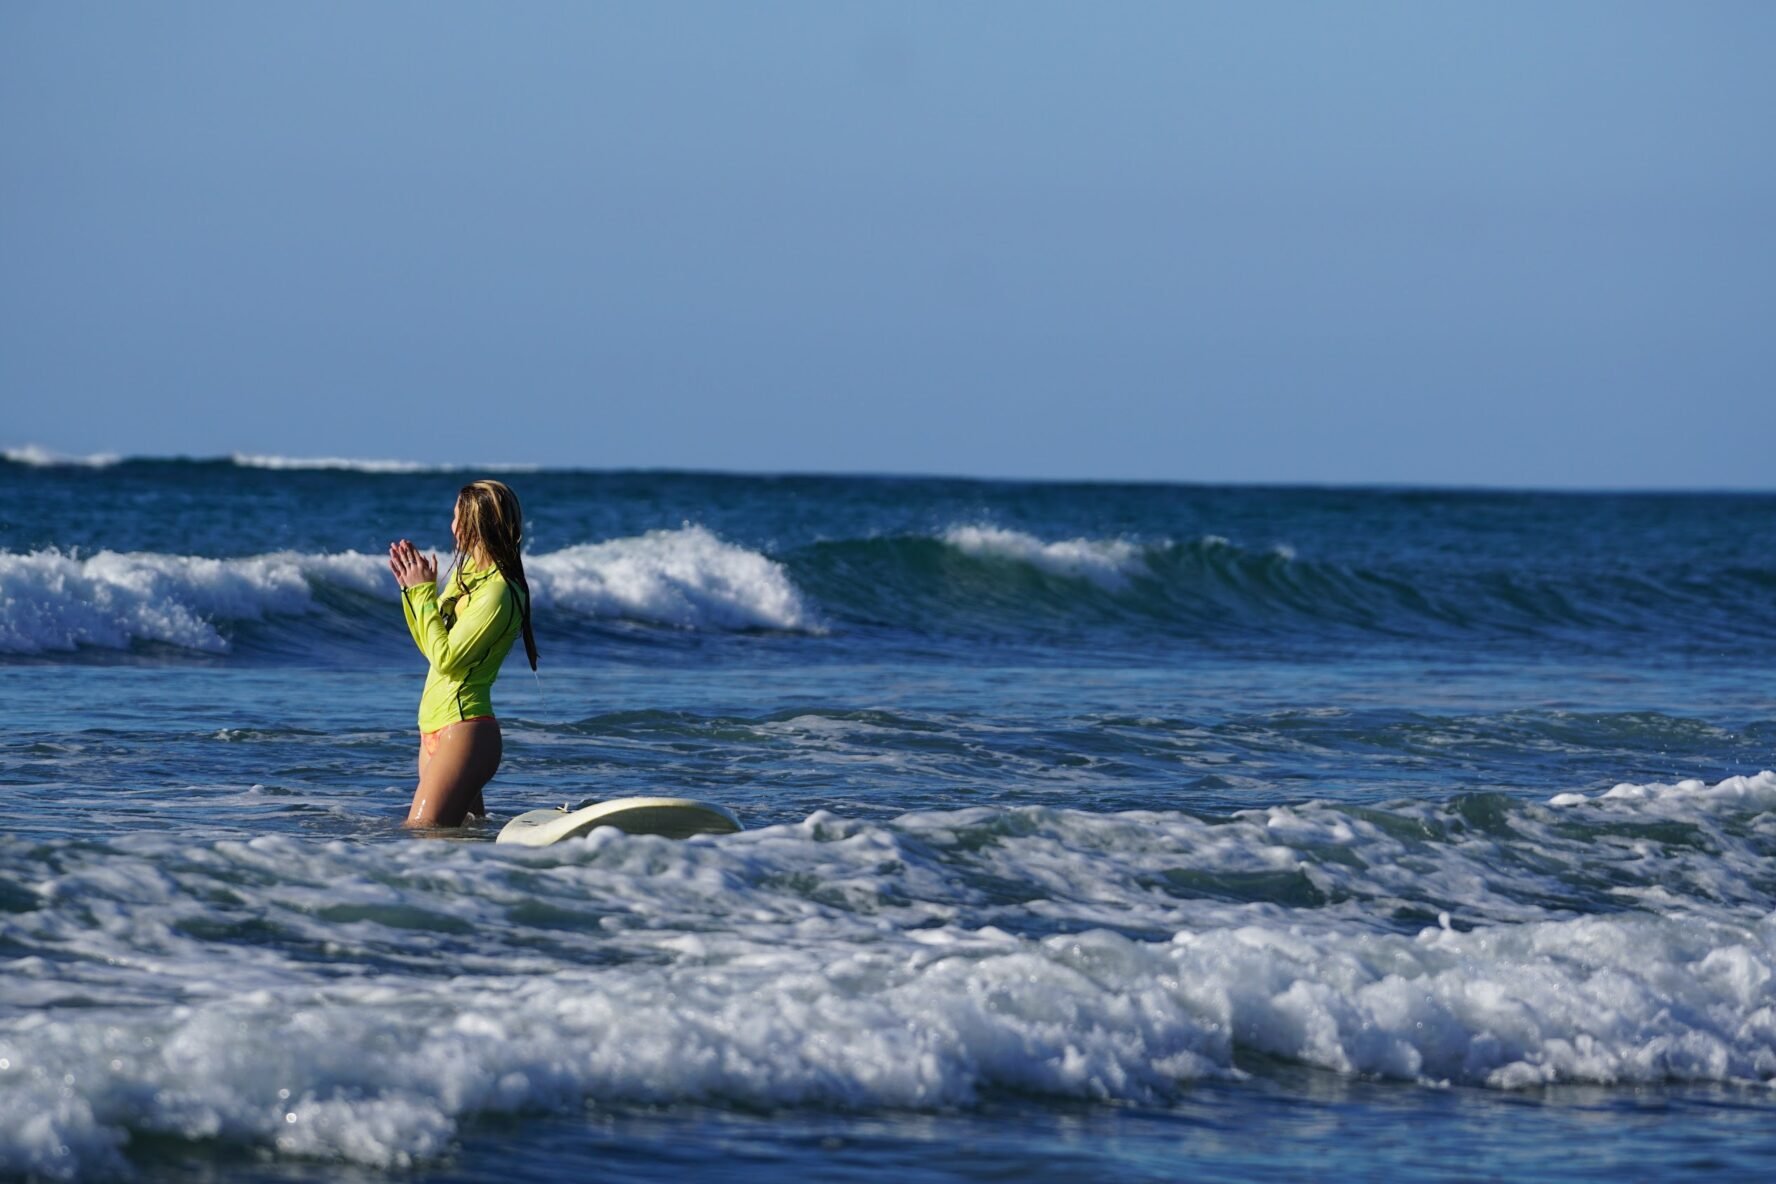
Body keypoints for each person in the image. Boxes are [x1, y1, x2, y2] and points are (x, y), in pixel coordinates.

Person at [387, 479, 539, 826]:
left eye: (458, 518)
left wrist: (424, 594)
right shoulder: (467, 575)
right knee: (462, 844)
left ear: (476, 524)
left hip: (465, 731)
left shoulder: (499, 592)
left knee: (420, 833)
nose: (452, 526)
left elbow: (447, 659)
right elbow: (431, 644)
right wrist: (412, 593)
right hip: (434, 728)